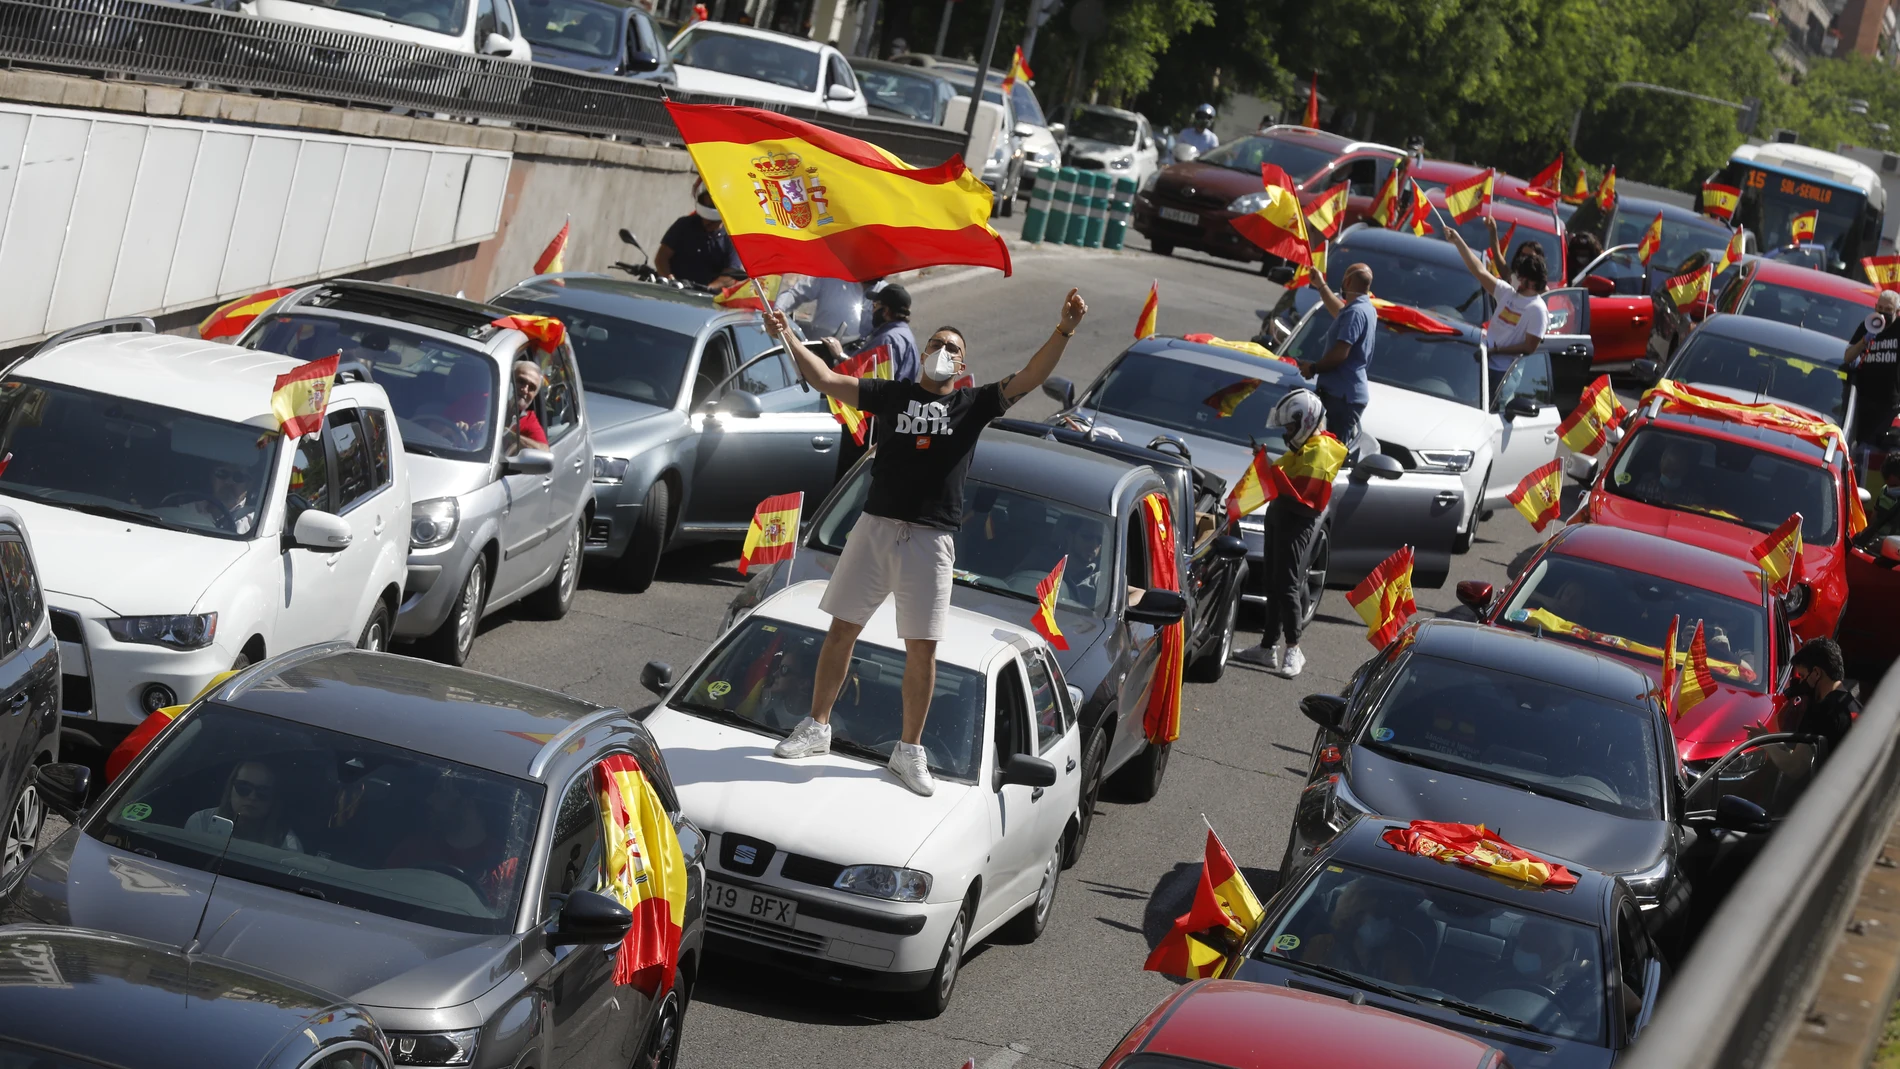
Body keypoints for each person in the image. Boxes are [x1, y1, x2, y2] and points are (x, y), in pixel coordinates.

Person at [760, 289, 1090, 795]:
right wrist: (787, 335)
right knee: (842, 628)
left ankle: (908, 750)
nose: (944, 351)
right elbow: (825, 378)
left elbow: (1030, 376)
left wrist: (1064, 329)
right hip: (875, 527)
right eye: (938, 342)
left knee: (923, 649)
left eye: (954, 349)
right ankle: (816, 726)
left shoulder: (972, 404)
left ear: (963, 365)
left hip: (931, 540)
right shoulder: (892, 395)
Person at [1232, 391, 1342, 678]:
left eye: (1290, 427)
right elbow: (1285, 475)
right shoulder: (1306, 446)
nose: (1287, 434)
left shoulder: (1321, 449)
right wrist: (1267, 463)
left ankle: (1294, 649)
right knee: (1272, 581)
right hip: (1281, 514)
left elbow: (1302, 493)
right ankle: (1268, 647)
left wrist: (1268, 468)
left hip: (1296, 520)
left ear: (1304, 422)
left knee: (1287, 583)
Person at [822, 283, 920, 479]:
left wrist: (839, 355)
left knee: (851, 480)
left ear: (886, 311)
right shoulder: (904, 335)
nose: (872, 310)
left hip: (872, 426)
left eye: (876, 306)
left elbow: (865, 379)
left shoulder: (887, 339)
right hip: (890, 422)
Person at [1447, 220, 1548, 399]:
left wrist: (1497, 351)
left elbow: (1529, 347)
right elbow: (1479, 271)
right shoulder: (1507, 292)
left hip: (1504, 374)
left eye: (1518, 276)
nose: (1513, 278)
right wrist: (1458, 241)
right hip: (1483, 362)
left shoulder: (1537, 309)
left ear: (1531, 282)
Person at [1296, 263, 1376, 446]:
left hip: (1342, 398)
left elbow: (1341, 353)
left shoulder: (1356, 311)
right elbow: (1340, 313)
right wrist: (1321, 286)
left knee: (1331, 454)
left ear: (1347, 282)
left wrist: (1314, 368)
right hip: (1343, 394)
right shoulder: (1363, 308)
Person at [186, 760, 303, 852]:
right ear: (230, 788)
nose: (252, 797)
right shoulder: (201, 823)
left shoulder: (287, 843)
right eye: (243, 788)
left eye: (263, 792)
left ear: (274, 797)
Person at [1845, 290, 1900, 472]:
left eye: (1888, 310)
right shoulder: (1867, 325)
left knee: (1875, 453)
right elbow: (1848, 357)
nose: (1883, 312)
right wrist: (1864, 340)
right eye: (1880, 308)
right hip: (1863, 401)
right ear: (1875, 307)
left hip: (1888, 407)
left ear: (1897, 312)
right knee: (1855, 448)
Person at [656, 177, 744, 290]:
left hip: (704, 298)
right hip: (673, 290)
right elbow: (662, 257)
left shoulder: (732, 238)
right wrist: (669, 279)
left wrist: (708, 288)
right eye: (704, 217)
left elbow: (730, 275)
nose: (706, 223)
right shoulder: (684, 224)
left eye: (712, 221)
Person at [1787, 637, 1859, 752]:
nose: (1801, 682)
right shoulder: (1856, 707)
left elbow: (1796, 765)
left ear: (1816, 673)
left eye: (1802, 676)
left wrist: (1768, 746)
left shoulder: (1822, 711)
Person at [775, 274, 866, 342]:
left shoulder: (879, 296)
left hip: (860, 360)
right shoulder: (831, 278)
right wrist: (777, 312)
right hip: (819, 350)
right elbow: (795, 294)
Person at [186, 460, 259, 535]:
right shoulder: (186, 511)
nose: (229, 481)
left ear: (250, 484)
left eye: (239, 477)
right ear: (212, 477)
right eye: (222, 473)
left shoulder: (257, 524)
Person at [505, 360, 548, 453]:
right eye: (521, 381)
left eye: (532, 388)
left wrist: (510, 436)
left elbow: (545, 451)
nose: (525, 390)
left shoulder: (529, 420)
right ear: (509, 380)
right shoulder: (485, 400)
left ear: (535, 395)